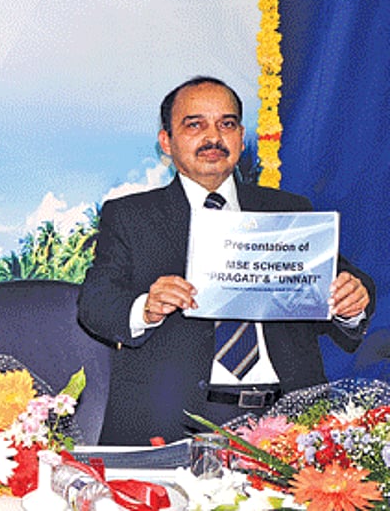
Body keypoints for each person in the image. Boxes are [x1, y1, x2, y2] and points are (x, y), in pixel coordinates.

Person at [78, 76, 375, 445]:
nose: (213, 137)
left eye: (227, 124)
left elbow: (349, 282)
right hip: (173, 425)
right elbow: (96, 304)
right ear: (166, 142)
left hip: (292, 427)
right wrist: (146, 309)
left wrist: (352, 301)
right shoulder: (130, 216)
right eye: (195, 124)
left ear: (241, 136)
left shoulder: (288, 210)